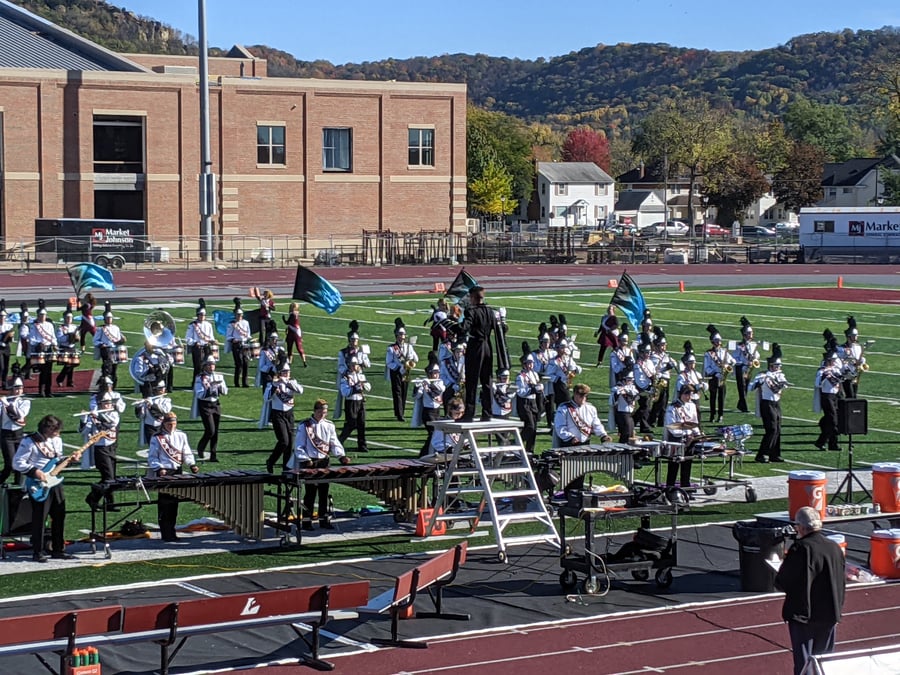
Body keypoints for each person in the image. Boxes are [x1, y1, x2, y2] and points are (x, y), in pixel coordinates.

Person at [774, 506, 846, 675]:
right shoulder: (834, 548)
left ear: (801, 526)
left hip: (804, 614)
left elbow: (783, 581)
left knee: (805, 664)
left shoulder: (801, 548)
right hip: (830, 612)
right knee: (824, 663)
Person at [13, 414, 74, 561]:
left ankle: (58, 549)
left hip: (56, 482)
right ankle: (37, 551)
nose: (57, 433)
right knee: (40, 518)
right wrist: (35, 472)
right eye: (55, 430)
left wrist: (69, 461)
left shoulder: (57, 440)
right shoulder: (29, 441)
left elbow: (57, 459)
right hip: (38, 483)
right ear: (47, 429)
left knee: (59, 515)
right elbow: (17, 462)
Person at [290, 399, 349, 531]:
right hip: (310, 462)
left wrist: (341, 456)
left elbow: (334, 443)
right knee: (310, 493)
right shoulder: (305, 426)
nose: (322, 415)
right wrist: (305, 459)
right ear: (315, 411)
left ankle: (323, 520)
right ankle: (306, 521)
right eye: (320, 412)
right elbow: (298, 446)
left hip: (324, 461)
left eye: (325, 412)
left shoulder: (329, 425)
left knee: (324, 492)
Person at [455, 285, 508, 422]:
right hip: (488, 347)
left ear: (473, 297)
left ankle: (469, 414)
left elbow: (463, 328)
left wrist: (452, 323)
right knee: (487, 381)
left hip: (475, 346)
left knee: (472, 381)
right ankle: (487, 412)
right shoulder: (490, 311)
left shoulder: (471, 311)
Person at [147, 412, 199, 542]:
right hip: (164, 473)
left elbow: (186, 452)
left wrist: (192, 464)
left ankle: (172, 532)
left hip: (177, 471)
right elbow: (152, 457)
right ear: (164, 424)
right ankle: (166, 533)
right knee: (165, 504)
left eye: (174, 424)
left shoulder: (181, 435)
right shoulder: (157, 438)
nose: (171, 426)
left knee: (174, 503)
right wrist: (159, 468)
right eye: (169, 424)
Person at [748, 345, 789, 463]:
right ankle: (762, 454)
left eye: (779, 366)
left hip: (776, 403)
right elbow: (750, 387)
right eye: (776, 365)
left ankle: (774, 454)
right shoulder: (762, 375)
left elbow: (784, 385)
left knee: (778, 429)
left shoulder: (780, 375)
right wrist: (758, 382)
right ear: (771, 366)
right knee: (771, 429)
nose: (778, 368)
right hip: (766, 404)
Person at [80, 393, 120, 511]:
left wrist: (97, 416)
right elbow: (83, 431)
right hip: (100, 449)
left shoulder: (114, 414)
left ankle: (99, 499)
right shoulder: (93, 417)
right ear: (100, 404)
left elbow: (110, 423)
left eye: (109, 403)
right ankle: (98, 499)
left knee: (110, 478)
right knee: (109, 478)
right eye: (105, 403)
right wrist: (83, 420)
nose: (108, 405)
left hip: (111, 447)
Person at [265, 362, 304, 473]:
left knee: (290, 442)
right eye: (284, 372)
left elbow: (301, 391)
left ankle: (286, 468)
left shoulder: (292, 382)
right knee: (284, 441)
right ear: (279, 373)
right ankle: (271, 461)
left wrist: (288, 383)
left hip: (289, 413)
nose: (286, 374)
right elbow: (266, 398)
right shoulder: (273, 383)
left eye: (288, 372)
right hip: (277, 414)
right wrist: (275, 385)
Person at [663, 385, 703, 491]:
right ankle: (670, 489)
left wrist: (698, 435)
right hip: (676, 440)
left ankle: (686, 488)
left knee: (687, 464)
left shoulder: (692, 406)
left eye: (690, 394)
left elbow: (694, 422)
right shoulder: (672, 407)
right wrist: (683, 434)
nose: (689, 397)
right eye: (686, 394)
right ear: (681, 394)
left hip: (690, 439)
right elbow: (670, 426)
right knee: (674, 465)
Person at [192, 356, 228, 461]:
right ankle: (201, 447)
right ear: (204, 366)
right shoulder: (200, 378)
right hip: (205, 405)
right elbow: (199, 394)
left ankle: (213, 454)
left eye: (213, 364)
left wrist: (219, 386)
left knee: (216, 431)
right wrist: (210, 388)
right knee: (210, 430)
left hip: (216, 404)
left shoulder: (219, 376)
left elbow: (225, 392)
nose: (212, 366)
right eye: (209, 364)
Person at [554, 383, 611, 447]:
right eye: (581, 396)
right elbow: (560, 427)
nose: (584, 398)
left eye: (585, 396)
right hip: (569, 443)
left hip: (586, 443)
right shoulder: (564, 408)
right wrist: (570, 438)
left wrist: (603, 435)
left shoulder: (591, 408)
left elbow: (596, 424)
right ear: (575, 394)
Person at [385, 318, 418, 422]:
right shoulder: (391, 348)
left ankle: (401, 411)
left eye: (403, 335)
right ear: (396, 336)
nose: (401, 337)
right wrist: (399, 368)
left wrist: (410, 360)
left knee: (404, 392)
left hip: (406, 371)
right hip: (396, 372)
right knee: (397, 393)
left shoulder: (409, 347)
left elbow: (416, 358)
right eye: (399, 335)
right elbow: (389, 362)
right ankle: (399, 414)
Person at [337, 356, 371, 454]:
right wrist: (355, 389)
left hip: (360, 401)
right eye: (352, 364)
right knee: (351, 424)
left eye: (356, 364)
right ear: (349, 365)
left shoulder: (361, 375)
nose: (354, 366)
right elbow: (344, 392)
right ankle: (339, 442)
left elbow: (369, 387)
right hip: (351, 402)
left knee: (361, 424)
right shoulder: (345, 377)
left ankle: (362, 445)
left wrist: (363, 386)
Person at [0, 378, 30, 485]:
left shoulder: (25, 402)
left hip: (19, 434)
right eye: (16, 388)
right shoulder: (4, 401)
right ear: (11, 389)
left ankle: (18, 486)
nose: (19, 391)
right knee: (10, 464)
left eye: (20, 388)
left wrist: (7, 405)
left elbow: (18, 416)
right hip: (6, 435)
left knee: (20, 462)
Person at [414, 359, 446, 456]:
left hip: (437, 411)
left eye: (437, 372)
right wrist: (417, 386)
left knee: (435, 433)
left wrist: (428, 385)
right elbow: (417, 396)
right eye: (434, 373)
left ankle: (429, 452)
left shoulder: (439, 383)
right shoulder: (425, 383)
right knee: (432, 433)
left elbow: (437, 392)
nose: (436, 375)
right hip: (428, 412)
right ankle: (425, 453)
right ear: (429, 374)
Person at [703, 325, 734, 424]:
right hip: (713, 377)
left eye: (719, 340)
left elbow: (733, 360)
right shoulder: (709, 353)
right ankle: (712, 415)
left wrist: (728, 365)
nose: (719, 342)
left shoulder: (724, 352)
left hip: (723, 377)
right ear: (712, 341)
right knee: (713, 397)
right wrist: (715, 373)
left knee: (721, 398)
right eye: (716, 340)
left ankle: (720, 415)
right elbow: (707, 367)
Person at [814, 350, 842, 452]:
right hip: (827, 396)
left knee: (833, 420)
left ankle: (832, 444)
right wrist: (824, 377)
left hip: (836, 395)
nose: (835, 361)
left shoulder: (836, 369)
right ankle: (821, 441)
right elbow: (817, 384)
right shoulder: (821, 371)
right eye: (833, 360)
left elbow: (842, 379)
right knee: (833, 420)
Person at [732, 316, 760, 413]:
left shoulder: (753, 345)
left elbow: (757, 355)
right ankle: (744, 406)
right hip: (741, 368)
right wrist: (743, 362)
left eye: (751, 333)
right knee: (741, 387)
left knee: (745, 387)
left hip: (749, 368)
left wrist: (754, 360)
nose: (751, 335)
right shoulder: (739, 345)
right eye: (749, 333)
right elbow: (735, 357)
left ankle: (741, 404)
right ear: (744, 334)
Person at [515, 353, 542, 454]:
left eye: (532, 363)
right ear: (524, 364)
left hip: (533, 402)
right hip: (525, 403)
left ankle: (530, 450)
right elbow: (520, 392)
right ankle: (518, 443)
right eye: (528, 363)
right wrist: (533, 390)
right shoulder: (520, 377)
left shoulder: (534, 374)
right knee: (530, 426)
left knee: (534, 429)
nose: (530, 365)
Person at [29, 305, 57, 397]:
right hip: (40, 349)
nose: (42, 317)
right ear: (38, 315)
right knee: (43, 371)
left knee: (49, 371)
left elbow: (53, 337)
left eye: (44, 315)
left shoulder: (49, 325)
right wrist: (39, 343)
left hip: (48, 349)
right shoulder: (34, 326)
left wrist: (55, 344)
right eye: (41, 315)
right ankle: (41, 390)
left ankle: (49, 391)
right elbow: (32, 339)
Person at [94, 306, 126, 388]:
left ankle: (113, 385)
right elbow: (95, 340)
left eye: (110, 318)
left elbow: (118, 339)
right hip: (106, 349)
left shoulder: (116, 328)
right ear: (104, 319)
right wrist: (101, 344)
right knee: (108, 367)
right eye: (107, 318)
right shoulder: (101, 329)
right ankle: (104, 383)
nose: (109, 319)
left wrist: (121, 341)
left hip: (115, 349)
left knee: (114, 369)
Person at [136, 380, 173, 447]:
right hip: (149, 427)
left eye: (163, 388)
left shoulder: (166, 400)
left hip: (161, 426)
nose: (163, 390)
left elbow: (165, 411)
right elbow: (141, 415)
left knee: (162, 446)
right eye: (160, 388)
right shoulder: (148, 400)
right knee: (152, 446)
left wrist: (152, 405)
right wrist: (139, 407)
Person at [185, 302, 215, 379]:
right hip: (197, 348)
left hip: (207, 348)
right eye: (200, 315)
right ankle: (196, 383)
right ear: (197, 315)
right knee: (198, 367)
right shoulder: (192, 325)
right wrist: (195, 342)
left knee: (208, 366)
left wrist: (213, 341)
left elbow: (210, 337)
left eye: (203, 315)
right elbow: (188, 338)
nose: (202, 316)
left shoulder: (208, 325)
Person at [226, 303, 253, 387]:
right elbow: (228, 336)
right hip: (236, 345)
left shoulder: (246, 323)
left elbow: (248, 334)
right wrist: (233, 339)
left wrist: (248, 338)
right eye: (237, 315)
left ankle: (245, 382)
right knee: (239, 363)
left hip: (245, 344)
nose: (239, 316)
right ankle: (237, 382)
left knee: (246, 363)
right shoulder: (231, 324)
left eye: (240, 315)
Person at [839, 315, 866, 399]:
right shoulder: (842, 348)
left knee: (854, 396)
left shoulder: (858, 347)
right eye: (854, 336)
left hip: (856, 375)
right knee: (849, 396)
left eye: (856, 336)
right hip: (846, 375)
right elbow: (840, 362)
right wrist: (847, 367)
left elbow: (860, 359)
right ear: (848, 337)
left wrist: (861, 362)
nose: (856, 338)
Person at [611, 372, 639, 443]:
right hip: (622, 414)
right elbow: (613, 397)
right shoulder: (617, 388)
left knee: (630, 434)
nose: (631, 381)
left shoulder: (631, 388)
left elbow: (636, 394)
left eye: (632, 380)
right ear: (624, 380)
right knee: (626, 435)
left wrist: (625, 390)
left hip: (630, 414)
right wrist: (620, 390)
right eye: (629, 380)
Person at [55, 307, 79, 388]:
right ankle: (60, 379)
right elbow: (59, 339)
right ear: (64, 318)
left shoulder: (74, 327)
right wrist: (69, 337)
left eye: (70, 318)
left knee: (73, 364)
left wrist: (76, 338)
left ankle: (69, 381)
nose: (69, 319)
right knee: (68, 364)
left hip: (72, 347)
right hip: (64, 348)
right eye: (67, 317)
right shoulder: (60, 328)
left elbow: (77, 338)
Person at [283, 301, 308, 367]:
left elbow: (288, 322)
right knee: (299, 347)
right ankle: (304, 361)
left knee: (290, 347)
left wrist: (283, 319)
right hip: (297, 331)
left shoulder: (292, 314)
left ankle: (290, 362)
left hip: (292, 331)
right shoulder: (296, 313)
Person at [0, 303, 14, 386]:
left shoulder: (9, 326)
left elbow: (11, 337)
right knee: (1, 367)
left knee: (6, 366)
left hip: (6, 347)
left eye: (3, 316)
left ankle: (5, 383)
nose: (2, 318)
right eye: (0, 316)